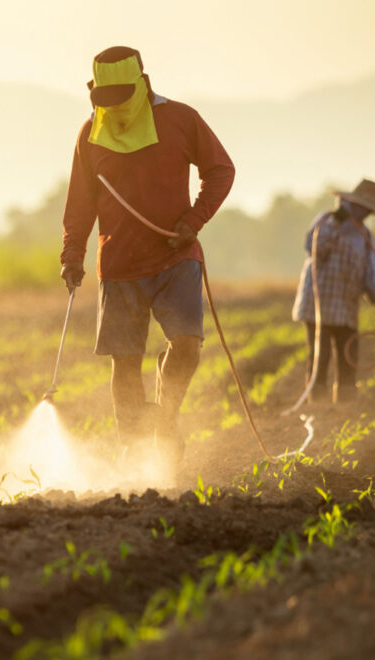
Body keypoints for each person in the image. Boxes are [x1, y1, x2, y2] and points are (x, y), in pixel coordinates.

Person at [59, 46, 235, 458]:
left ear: (142, 85)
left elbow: (220, 170)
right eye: (106, 97)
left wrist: (194, 221)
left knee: (187, 346)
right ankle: (133, 455)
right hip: (118, 264)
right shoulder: (90, 133)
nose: (115, 104)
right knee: (124, 362)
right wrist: (72, 254)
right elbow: (79, 203)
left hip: (176, 256)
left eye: (122, 94)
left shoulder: (179, 118)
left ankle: (166, 421)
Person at [291, 179, 375, 403]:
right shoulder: (325, 222)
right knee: (320, 357)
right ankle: (317, 409)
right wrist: (336, 223)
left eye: (368, 210)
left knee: (348, 358)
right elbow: (313, 249)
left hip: (346, 307)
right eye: (361, 208)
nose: (363, 213)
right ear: (351, 203)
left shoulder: (365, 237)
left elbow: (370, 272)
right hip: (318, 304)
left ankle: (343, 410)